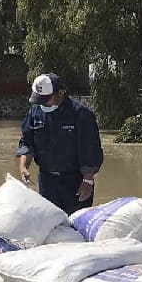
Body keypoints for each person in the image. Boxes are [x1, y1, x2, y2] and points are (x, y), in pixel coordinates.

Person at [16, 73, 104, 214]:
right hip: (47, 181)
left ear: (58, 93)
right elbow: (27, 141)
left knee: (75, 227)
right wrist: (23, 167)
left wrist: (88, 181)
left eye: (45, 100)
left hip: (75, 182)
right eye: (39, 100)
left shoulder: (81, 115)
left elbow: (90, 150)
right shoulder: (35, 112)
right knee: (50, 225)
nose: (42, 104)